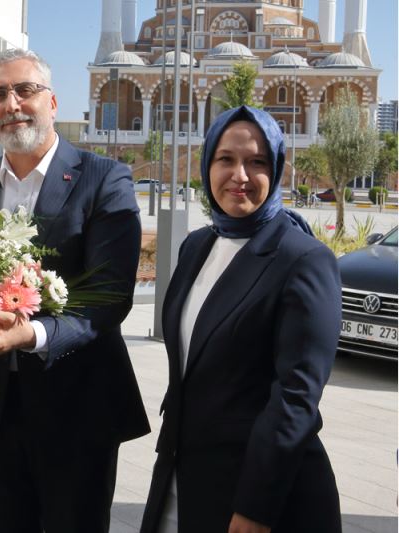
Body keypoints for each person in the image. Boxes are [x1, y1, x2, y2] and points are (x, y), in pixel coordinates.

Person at [0, 48, 150, 532]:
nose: (12, 103)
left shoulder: (104, 178)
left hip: (78, 411)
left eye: (25, 90)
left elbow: (108, 297)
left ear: (53, 102)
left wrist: (30, 335)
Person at [140, 106, 341, 533]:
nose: (240, 175)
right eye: (226, 159)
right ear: (207, 163)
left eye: (257, 162)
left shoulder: (303, 259)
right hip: (184, 475)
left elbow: (295, 398)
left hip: (262, 496)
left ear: (277, 169)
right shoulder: (197, 245)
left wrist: (255, 510)